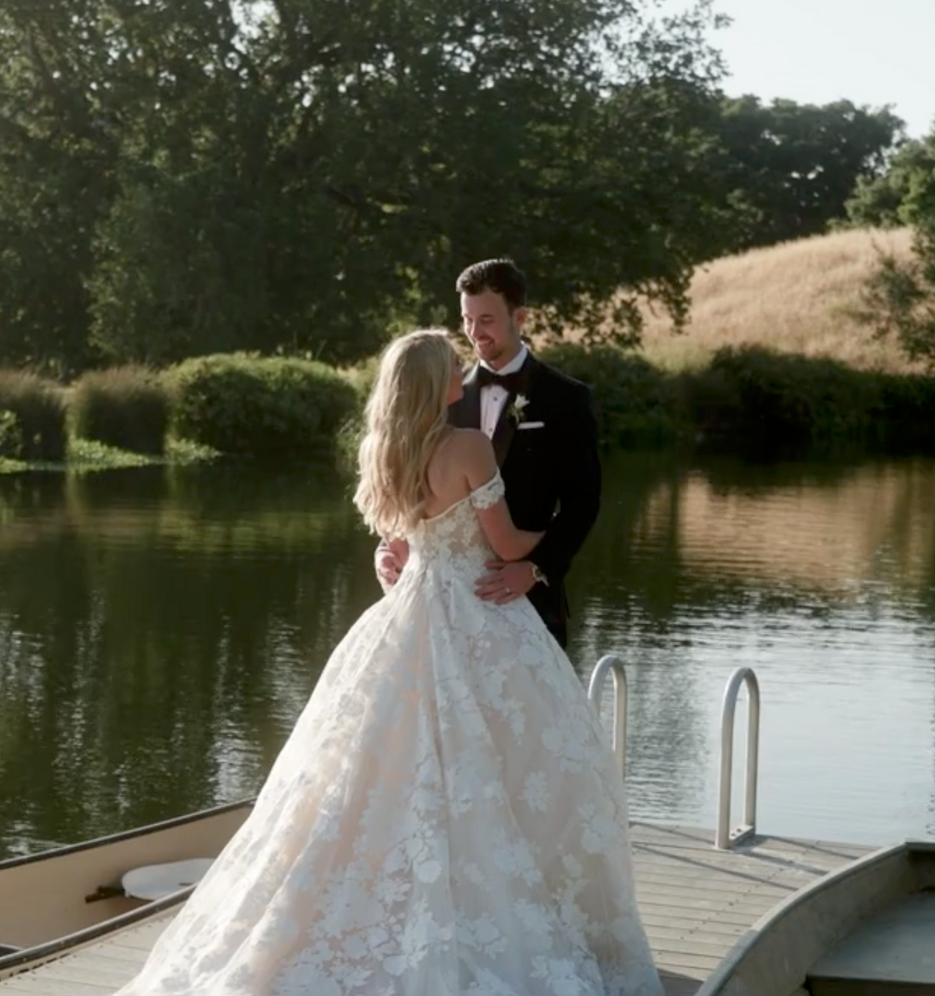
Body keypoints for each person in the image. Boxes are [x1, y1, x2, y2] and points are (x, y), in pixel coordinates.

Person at [109, 329, 661, 996]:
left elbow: (398, 541)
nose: (464, 368)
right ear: (436, 383)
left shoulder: (383, 447)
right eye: (453, 365)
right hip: (475, 609)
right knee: (511, 759)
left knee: (381, 766)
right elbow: (507, 544)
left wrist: (396, 555)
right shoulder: (468, 447)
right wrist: (559, 536)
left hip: (406, 612)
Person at [377, 258, 602, 648]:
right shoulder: (441, 396)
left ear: (521, 317)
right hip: (439, 610)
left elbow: (584, 503)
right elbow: (406, 484)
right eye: (466, 320)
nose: (473, 333)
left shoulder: (566, 399)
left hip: (528, 601)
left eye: (486, 320)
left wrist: (535, 568)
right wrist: (386, 549)